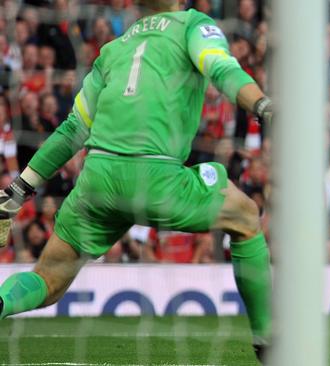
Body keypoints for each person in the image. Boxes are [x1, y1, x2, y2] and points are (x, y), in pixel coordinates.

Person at [0, 0, 273, 361]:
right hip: (156, 177)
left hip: (98, 179)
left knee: (48, 280)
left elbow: (72, 131)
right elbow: (222, 68)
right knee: (246, 216)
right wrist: (264, 107)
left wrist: (18, 190)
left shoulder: (113, 49)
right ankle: (269, 341)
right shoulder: (192, 25)